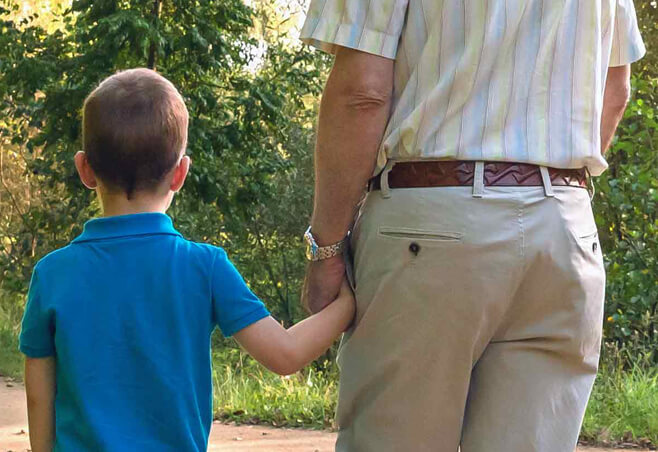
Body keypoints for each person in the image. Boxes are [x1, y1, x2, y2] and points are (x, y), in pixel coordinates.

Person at [298, 0, 645, 451]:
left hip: (431, 223)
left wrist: (326, 249)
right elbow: (614, 91)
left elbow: (362, 93)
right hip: (566, 231)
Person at [19, 68, 355, 452]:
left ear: (85, 169)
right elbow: (285, 354)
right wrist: (347, 303)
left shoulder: (52, 275)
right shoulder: (204, 266)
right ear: (180, 173)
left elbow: (38, 399)